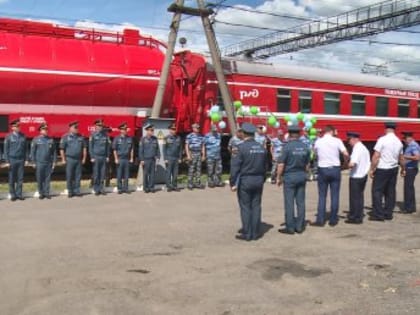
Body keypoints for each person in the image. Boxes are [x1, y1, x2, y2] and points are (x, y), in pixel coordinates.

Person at [230, 123, 267, 241]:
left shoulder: (240, 148)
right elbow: (266, 166)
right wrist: (263, 178)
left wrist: (232, 182)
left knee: (245, 206)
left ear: (243, 133)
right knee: (256, 206)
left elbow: (234, 167)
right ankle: (255, 232)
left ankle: (247, 233)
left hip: (246, 180)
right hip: (259, 179)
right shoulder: (262, 148)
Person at [313, 125, 349, 226]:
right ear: (332, 131)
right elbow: (345, 154)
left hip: (323, 169)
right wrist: (345, 163)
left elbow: (314, 154)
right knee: (335, 195)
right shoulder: (337, 141)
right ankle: (333, 220)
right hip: (335, 169)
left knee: (322, 195)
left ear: (324, 132)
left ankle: (320, 219)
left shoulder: (318, 141)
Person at [277, 126, 310, 234]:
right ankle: (300, 226)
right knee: (301, 202)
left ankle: (290, 227)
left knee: (289, 202)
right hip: (301, 175)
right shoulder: (305, 147)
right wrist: (305, 174)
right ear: (299, 134)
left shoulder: (286, 147)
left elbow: (281, 164)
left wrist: (278, 177)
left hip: (290, 176)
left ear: (289, 134)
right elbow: (307, 164)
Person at [369, 122, 404, 221]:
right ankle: (388, 213)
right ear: (394, 129)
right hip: (393, 169)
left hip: (382, 169)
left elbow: (376, 156)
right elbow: (401, 158)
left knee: (377, 191)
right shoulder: (399, 142)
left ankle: (378, 214)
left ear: (386, 129)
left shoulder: (382, 140)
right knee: (390, 191)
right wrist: (403, 169)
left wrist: (372, 169)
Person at [345, 132, 370, 224]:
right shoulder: (364, 148)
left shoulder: (356, 148)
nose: (348, 142)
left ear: (354, 139)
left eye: (349, 140)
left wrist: (346, 165)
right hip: (363, 175)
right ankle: (359, 215)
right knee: (360, 197)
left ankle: (354, 217)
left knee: (354, 198)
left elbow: (352, 163)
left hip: (356, 176)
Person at [60, 121, 87, 198]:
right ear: (70, 128)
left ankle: (77, 191)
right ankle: (70, 191)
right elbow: (62, 149)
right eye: (75, 128)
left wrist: (84, 158)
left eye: (77, 127)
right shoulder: (65, 137)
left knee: (78, 176)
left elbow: (84, 148)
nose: (77, 129)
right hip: (70, 159)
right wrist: (63, 159)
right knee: (70, 175)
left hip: (78, 159)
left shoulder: (81, 137)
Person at [30, 123, 57, 199]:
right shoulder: (36, 140)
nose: (46, 131)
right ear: (40, 130)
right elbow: (33, 152)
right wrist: (33, 162)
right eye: (44, 129)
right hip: (39, 162)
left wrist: (54, 162)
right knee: (40, 178)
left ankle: (47, 192)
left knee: (47, 179)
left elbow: (54, 152)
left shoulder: (50, 140)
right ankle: (41, 193)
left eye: (46, 129)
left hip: (48, 162)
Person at [3, 119, 26, 201]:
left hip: (21, 160)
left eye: (19, 126)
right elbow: (6, 150)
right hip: (12, 160)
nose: (18, 128)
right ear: (12, 128)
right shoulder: (8, 137)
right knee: (12, 178)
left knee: (20, 178)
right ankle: (12, 194)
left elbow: (25, 149)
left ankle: (19, 194)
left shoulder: (23, 136)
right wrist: (7, 161)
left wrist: (25, 159)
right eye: (16, 126)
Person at [89, 119, 111, 196]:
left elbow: (108, 147)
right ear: (96, 126)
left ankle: (101, 188)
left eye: (101, 126)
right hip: (96, 156)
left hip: (103, 157)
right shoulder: (93, 135)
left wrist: (108, 156)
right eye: (98, 126)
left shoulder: (105, 135)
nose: (100, 127)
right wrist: (92, 156)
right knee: (96, 173)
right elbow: (90, 147)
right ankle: (96, 189)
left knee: (102, 173)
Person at [112, 122, 134, 194]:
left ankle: (126, 188)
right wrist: (116, 159)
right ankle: (119, 189)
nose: (124, 130)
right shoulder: (116, 138)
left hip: (127, 159)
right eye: (123, 129)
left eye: (125, 129)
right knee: (119, 174)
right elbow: (114, 149)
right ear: (120, 130)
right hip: (120, 159)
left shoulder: (129, 138)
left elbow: (131, 149)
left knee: (126, 175)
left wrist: (131, 158)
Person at [139, 123, 160, 193]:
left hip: (153, 159)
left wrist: (158, 156)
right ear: (147, 131)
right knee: (145, 174)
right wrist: (141, 159)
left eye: (152, 130)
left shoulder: (155, 139)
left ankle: (151, 187)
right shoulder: (143, 139)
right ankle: (146, 188)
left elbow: (157, 149)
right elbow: (141, 150)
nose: (152, 132)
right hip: (146, 159)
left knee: (152, 174)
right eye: (151, 130)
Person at [401, 131, 419, 213]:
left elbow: (417, 157)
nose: (403, 140)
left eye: (404, 138)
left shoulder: (413, 146)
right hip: (410, 168)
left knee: (408, 188)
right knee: (410, 188)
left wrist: (404, 156)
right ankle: (411, 207)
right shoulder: (410, 145)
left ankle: (408, 208)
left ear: (409, 138)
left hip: (411, 169)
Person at [185, 123, 205, 190]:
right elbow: (186, 146)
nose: (198, 129)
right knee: (191, 169)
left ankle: (197, 183)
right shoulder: (189, 136)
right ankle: (190, 183)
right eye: (197, 128)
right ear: (193, 128)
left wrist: (203, 155)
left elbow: (203, 146)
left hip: (198, 154)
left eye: (199, 128)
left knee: (198, 169)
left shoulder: (201, 136)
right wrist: (188, 155)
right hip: (192, 153)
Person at [163, 123, 182, 192]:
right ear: (170, 130)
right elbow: (164, 149)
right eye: (172, 129)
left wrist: (180, 158)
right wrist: (165, 158)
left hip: (176, 158)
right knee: (168, 173)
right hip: (169, 158)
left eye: (175, 129)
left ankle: (174, 186)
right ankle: (169, 186)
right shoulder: (166, 138)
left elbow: (180, 149)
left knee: (175, 173)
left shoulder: (178, 138)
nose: (174, 131)